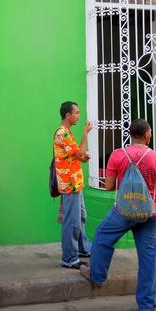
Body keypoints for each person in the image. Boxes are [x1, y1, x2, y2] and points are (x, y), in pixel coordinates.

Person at [80, 119, 156, 311]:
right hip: (151, 213)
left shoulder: (118, 155)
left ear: (131, 134)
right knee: (148, 259)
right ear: (147, 134)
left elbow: (109, 186)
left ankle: (97, 276)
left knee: (103, 237)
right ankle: (147, 306)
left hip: (123, 211)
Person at [54, 101, 93, 269]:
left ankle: (83, 249)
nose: (79, 115)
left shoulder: (68, 133)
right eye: (76, 113)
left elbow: (77, 156)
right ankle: (69, 258)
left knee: (81, 217)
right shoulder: (62, 133)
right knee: (71, 222)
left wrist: (83, 157)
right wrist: (85, 134)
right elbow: (79, 152)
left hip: (76, 183)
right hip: (69, 184)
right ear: (67, 115)